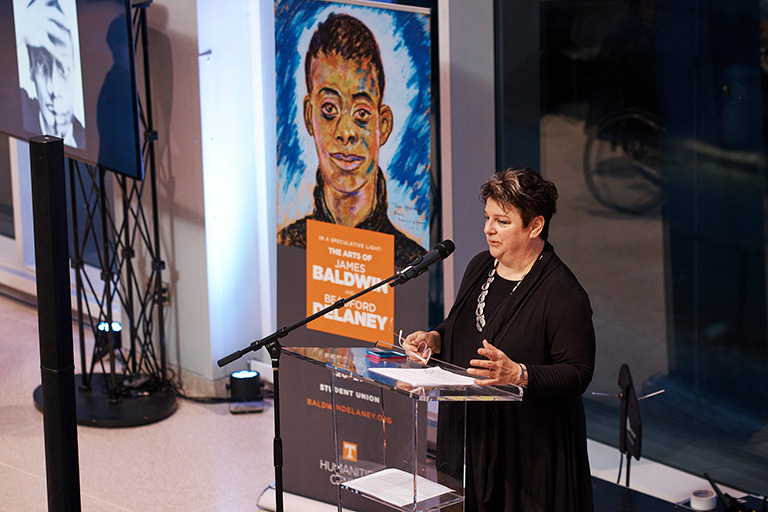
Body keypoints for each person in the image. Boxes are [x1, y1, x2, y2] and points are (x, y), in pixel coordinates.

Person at [404, 167, 595, 511]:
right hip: (468, 437)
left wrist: (519, 374)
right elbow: (460, 328)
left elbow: (579, 371)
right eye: (487, 218)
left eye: (502, 221)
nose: (488, 229)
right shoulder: (480, 267)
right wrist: (433, 339)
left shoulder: (563, 293)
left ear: (535, 225)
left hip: (527, 453)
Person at [277, 12, 425, 268]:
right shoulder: (289, 244)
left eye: (362, 113)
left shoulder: (412, 263)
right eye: (330, 109)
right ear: (310, 116)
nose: (346, 132)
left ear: (384, 125)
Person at [18, 0, 85, 148]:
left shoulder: (88, 140)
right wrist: (20, 29)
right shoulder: (18, 115)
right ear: (31, 70)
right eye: (41, 64)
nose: (53, 89)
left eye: (62, 67)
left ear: (74, 69)